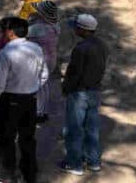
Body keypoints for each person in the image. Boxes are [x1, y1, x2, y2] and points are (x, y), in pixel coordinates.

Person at [0, 17, 48, 183]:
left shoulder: (5, 53)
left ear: (10, 32)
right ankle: (29, 173)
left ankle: (7, 176)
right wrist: (32, 87)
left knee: (6, 138)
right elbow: (44, 75)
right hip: (30, 99)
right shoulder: (36, 48)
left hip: (10, 100)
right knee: (27, 138)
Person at [59, 13, 108, 176]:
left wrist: (66, 88)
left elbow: (74, 73)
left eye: (77, 27)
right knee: (92, 128)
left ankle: (74, 164)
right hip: (95, 91)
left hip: (79, 93)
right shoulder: (102, 45)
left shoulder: (80, 49)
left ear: (83, 29)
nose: (75, 29)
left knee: (74, 129)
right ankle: (93, 161)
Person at [27, 0, 61, 123]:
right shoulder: (55, 25)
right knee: (45, 85)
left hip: (41, 61)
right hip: (51, 58)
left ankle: (38, 113)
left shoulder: (38, 28)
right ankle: (43, 111)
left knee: (38, 87)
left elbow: (23, 34)